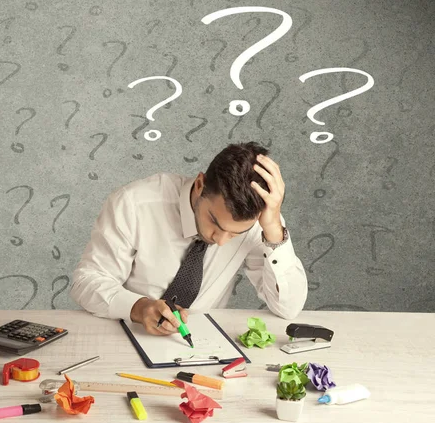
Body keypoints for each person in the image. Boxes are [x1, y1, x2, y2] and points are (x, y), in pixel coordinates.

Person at [70, 142, 308, 336]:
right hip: (127, 333)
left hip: (202, 346)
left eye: (236, 233)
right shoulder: (134, 203)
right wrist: (139, 307)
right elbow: (86, 281)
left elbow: (288, 307)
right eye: (215, 222)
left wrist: (274, 230)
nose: (222, 240)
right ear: (200, 184)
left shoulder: (260, 221)